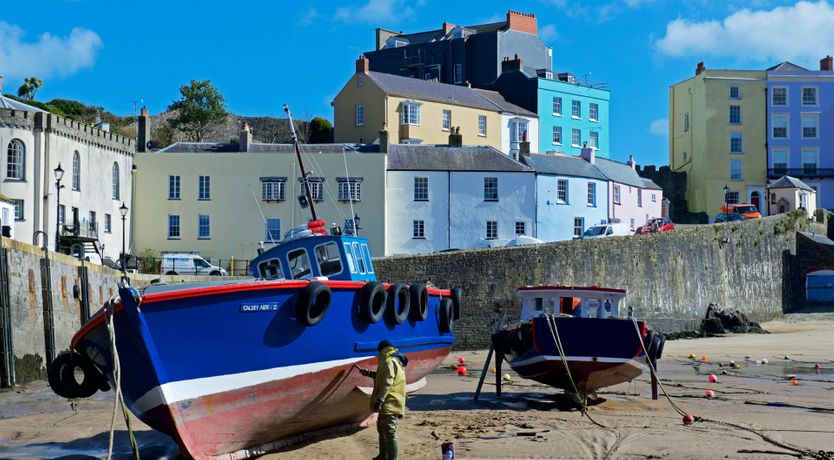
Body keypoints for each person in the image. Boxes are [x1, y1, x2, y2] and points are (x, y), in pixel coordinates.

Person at [359, 340, 407, 460]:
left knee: (390, 432)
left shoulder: (388, 361)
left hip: (390, 402)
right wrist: (369, 373)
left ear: (382, 350)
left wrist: (380, 400)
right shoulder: (393, 361)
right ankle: (383, 456)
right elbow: (383, 376)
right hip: (389, 401)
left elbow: (387, 382)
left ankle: (391, 458)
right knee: (381, 429)